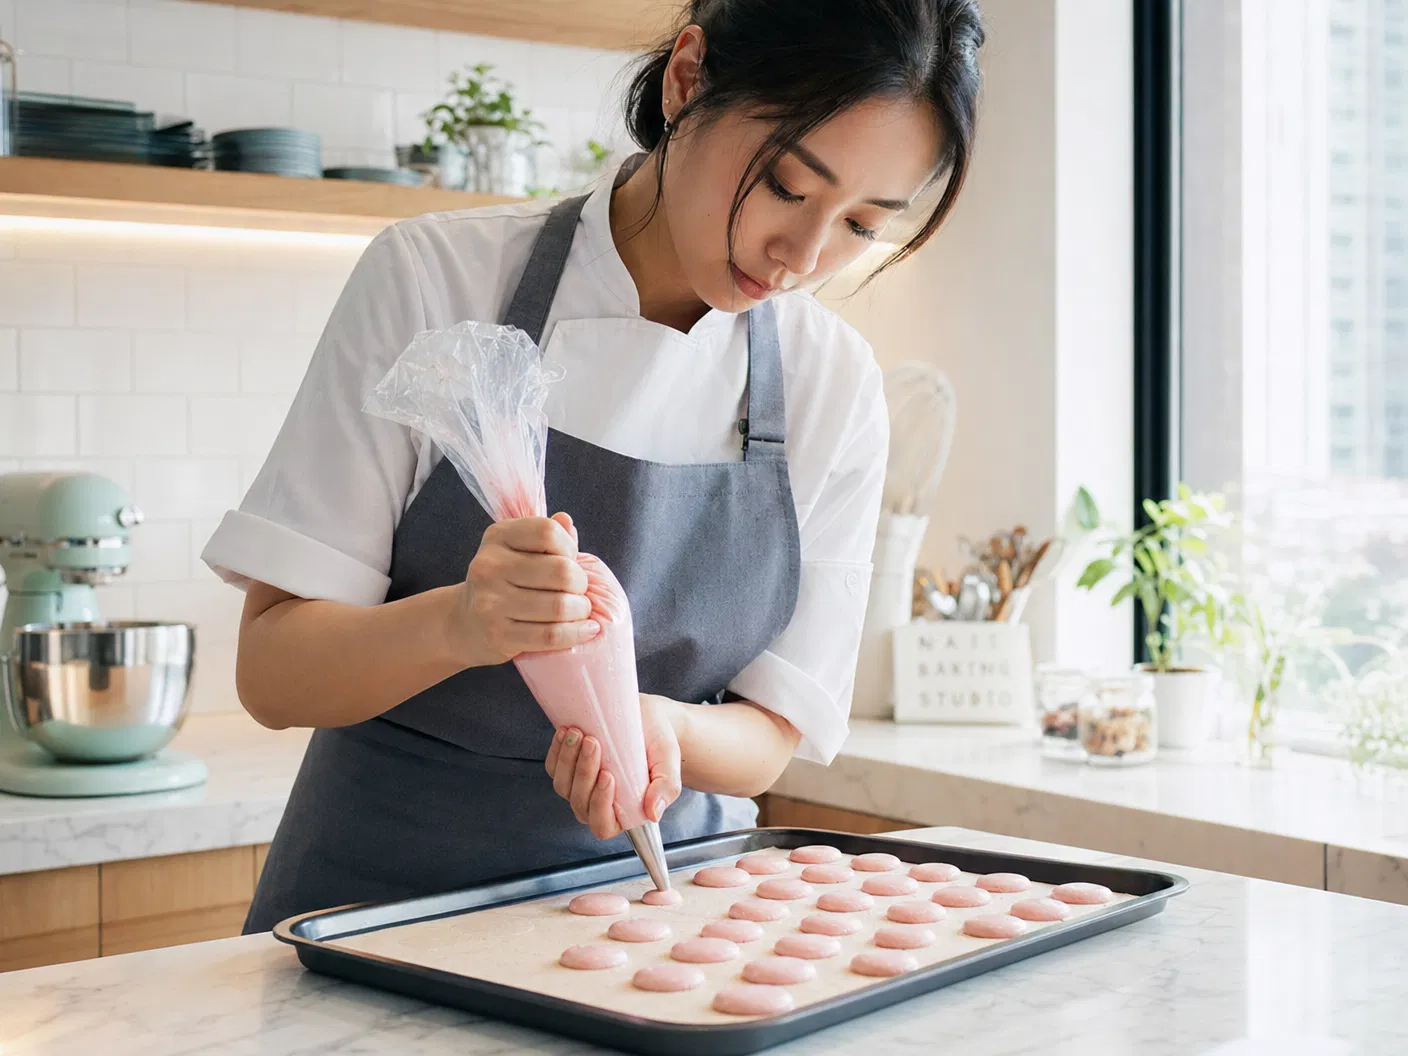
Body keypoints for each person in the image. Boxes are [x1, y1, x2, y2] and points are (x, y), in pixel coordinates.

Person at [202, 0, 985, 932]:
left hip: (668, 920)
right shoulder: (439, 279)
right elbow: (275, 673)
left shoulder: (831, 383)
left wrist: (664, 728)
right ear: (687, 78)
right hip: (380, 905)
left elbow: (772, 734)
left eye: (860, 224)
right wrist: (462, 620)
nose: (803, 257)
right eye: (784, 185)